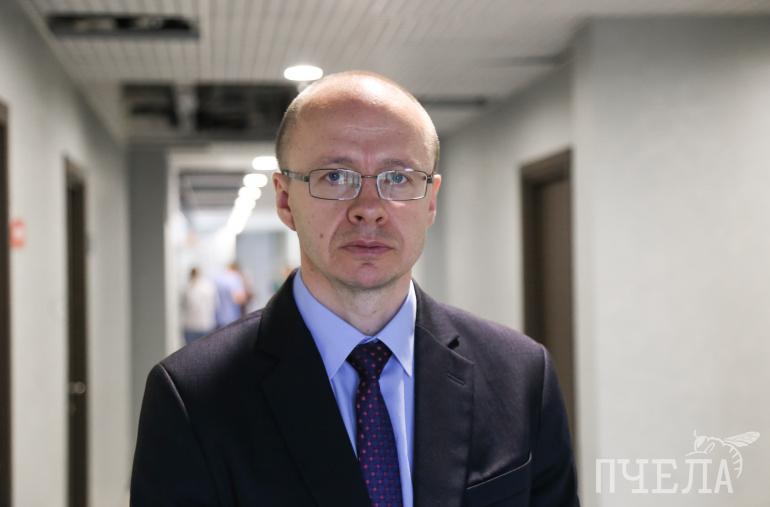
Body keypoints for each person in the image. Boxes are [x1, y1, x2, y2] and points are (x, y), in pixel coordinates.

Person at [131, 71, 579, 506]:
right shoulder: (193, 397)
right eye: (335, 176)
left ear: (431, 201)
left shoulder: (520, 376)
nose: (369, 208)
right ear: (285, 199)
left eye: (398, 178)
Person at [181, 267, 217, 344]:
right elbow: (215, 305)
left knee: (191, 349)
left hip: (193, 325)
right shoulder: (208, 286)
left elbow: (183, 306)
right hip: (204, 325)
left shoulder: (187, 287)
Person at [213, 262, 249, 327]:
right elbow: (240, 299)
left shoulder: (218, 279)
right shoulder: (235, 278)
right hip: (232, 319)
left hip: (218, 319)